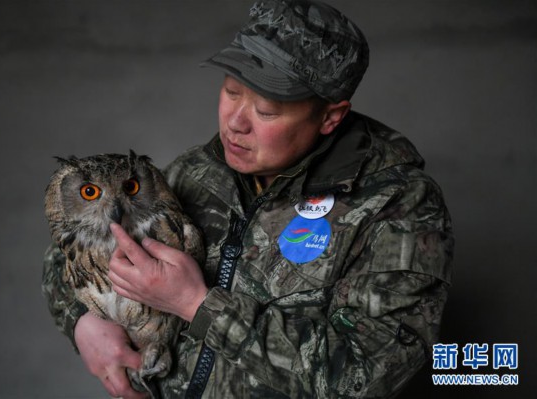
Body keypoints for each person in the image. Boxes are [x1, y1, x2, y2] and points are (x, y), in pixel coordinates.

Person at [42, 0, 454, 398]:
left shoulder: (397, 205)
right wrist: (83, 324)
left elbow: (366, 375)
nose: (235, 123)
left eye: (267, 110)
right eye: (231, 91)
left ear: (331, 116)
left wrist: (196, 303)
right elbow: (71, 256)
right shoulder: (197, 172)